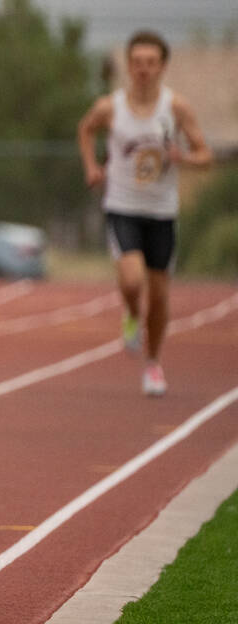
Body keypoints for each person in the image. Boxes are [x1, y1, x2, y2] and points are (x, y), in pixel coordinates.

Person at [77, 29, 212, 397]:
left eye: (150, 63)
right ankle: (131, 315)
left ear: (162, 66)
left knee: (161, 296)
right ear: (129, 66)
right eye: (137, 62)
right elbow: (85, 130)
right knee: (133, 280)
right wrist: (92, 166)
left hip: (162, 211)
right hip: (122, 206)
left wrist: (183, 157)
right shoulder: (111, 107)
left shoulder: (176, 107)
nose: (143, 70)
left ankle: (153, 364)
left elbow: (205, 153)